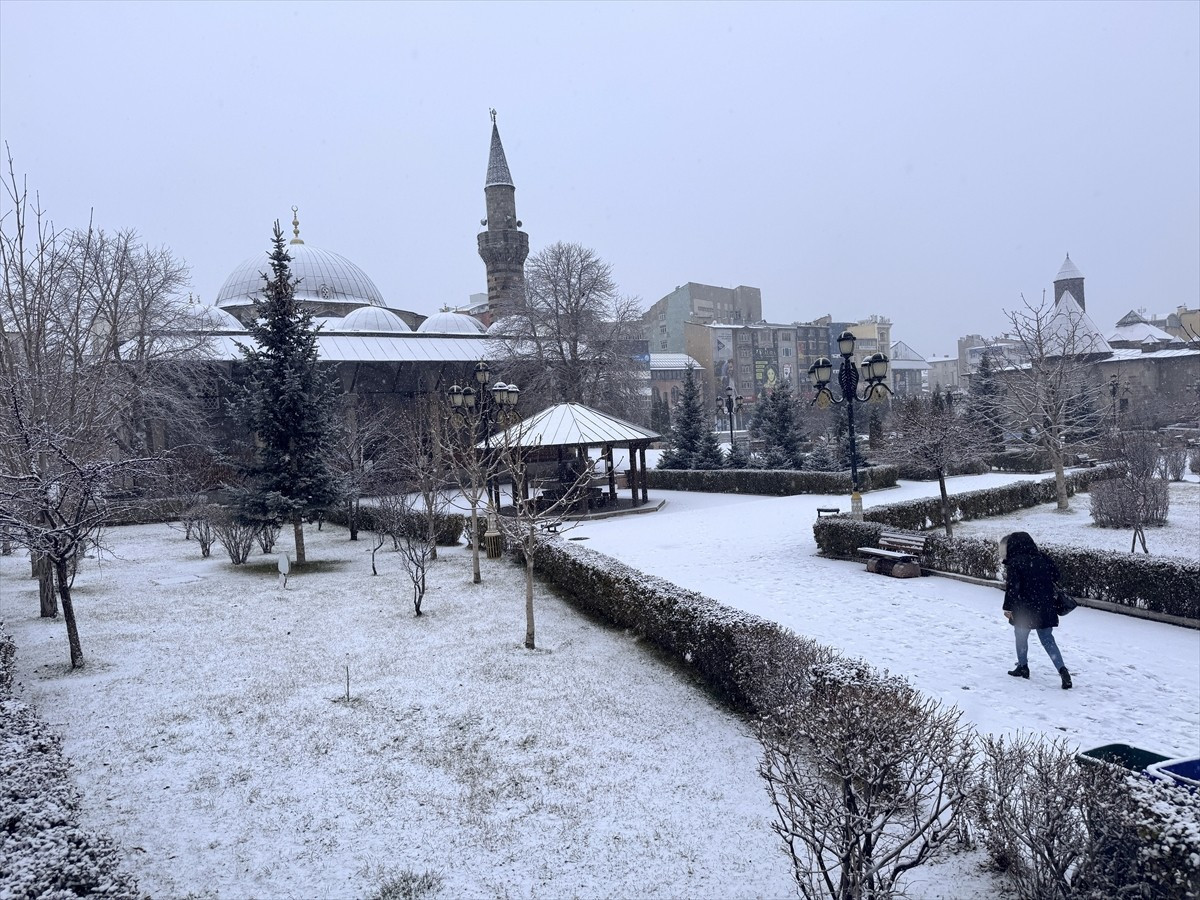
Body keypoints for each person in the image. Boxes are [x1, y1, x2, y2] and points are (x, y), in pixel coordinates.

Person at [1001, 531, 1072, 689]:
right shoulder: (1043, 558)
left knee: (1021, 637)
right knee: (1047, 640)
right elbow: (1056, 575)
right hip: (1046, 606)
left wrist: (1008, 608)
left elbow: (1012, 588)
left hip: (1024, 609)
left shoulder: (1015, 562)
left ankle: (1023, 667)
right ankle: (1063, 671)